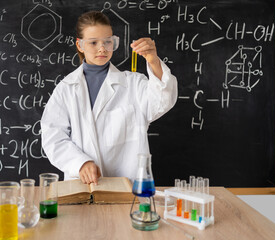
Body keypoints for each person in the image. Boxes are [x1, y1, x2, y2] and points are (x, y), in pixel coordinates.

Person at [41, 11, 177, 185]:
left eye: (107, 41)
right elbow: (53, 137)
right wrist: (80, 163)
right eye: (93, 42)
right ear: (80, 45)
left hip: (128, 189)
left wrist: (153, 61)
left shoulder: (133, 84)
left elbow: (162, 101)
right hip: (82, 188)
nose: (102, 48)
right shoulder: (66, 89)